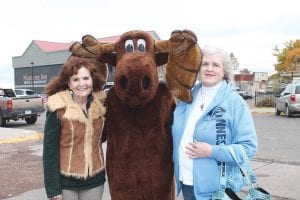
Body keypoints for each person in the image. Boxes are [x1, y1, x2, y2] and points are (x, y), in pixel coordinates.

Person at [172, 45, 258, 199]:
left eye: (215, 65)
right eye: (205, 64)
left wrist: (212, 151)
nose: (209, 69)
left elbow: (248, 148)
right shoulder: (187, 98)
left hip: (217, 191)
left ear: (224, 71)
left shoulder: (234, 102)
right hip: (186, 183)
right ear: (198, 68)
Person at [43, 56, 107, 200]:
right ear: (69, 83)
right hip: (65, 183)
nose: (81, 84)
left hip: (95, 181)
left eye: (86, 78)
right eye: (76, 79)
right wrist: (53, 190)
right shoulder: (58, 107)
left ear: (93, 80)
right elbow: (50, 151)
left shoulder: (101, 106)